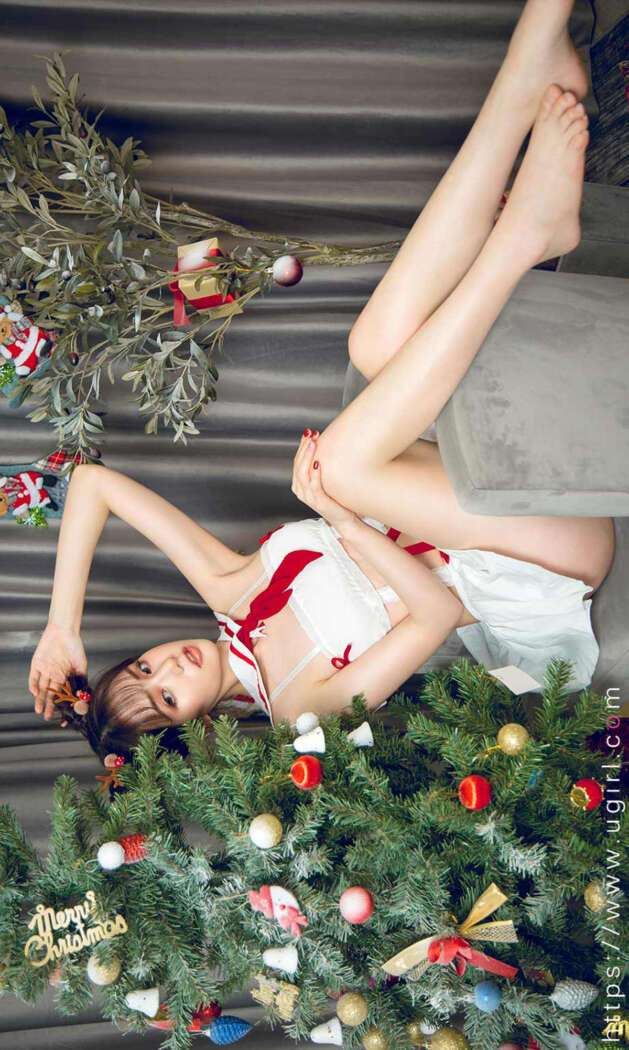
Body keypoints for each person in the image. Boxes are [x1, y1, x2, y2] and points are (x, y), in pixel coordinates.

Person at [29, 0, 614, 764]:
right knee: (337, 471)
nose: (168, 667)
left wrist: (63, 626)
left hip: (475, 497)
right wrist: (339, 517)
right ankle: (525, 234)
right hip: (532, 558)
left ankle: (520, 85)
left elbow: (92, 484)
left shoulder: (227, 589)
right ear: (198, 726)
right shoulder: (298, 710)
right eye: (166, 697)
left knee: (372, 344)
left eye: (143, 666)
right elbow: (434, 617)